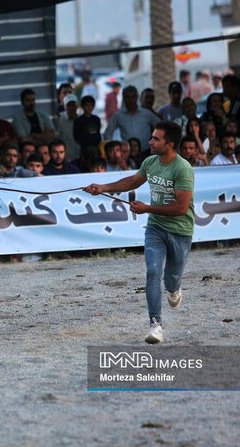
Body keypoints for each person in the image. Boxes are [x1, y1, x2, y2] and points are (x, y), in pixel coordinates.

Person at [84, 121, 194, 344]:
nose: (150, 141)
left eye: (156, 139)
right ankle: (156, 325)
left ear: (170, 144)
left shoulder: (183, 169)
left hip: (180, 231)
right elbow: (133, 181)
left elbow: (181, 209)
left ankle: (174, 289)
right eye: (151, 137)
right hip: (155, 228)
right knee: (153, 272)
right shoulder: (150, 162)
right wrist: (102, 188)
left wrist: (147, 208)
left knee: (172, 281)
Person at [103, 85, 159, 150]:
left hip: (147, 152)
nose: (130, 100)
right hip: (128, 154)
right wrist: (115, 148)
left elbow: (161, 127)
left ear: (136, 97)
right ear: (123, 98)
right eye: (127, 97)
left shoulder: (146, 113)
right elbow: (107, 134)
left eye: (133, 97)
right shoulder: (118, 116)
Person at [222, 74, 240, 145]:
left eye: (227, 86)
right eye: (224, 86)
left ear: (235, 87)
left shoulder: (239, 102)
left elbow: (233, 119)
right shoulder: (232, 102)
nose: (224, 89)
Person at [56, 94, 80, 161]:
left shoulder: (81, 119)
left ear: (77, 106)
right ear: (64, 107)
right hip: (65, 159)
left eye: (73, 105)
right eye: (68, 105)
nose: (71, 108)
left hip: (80, 157)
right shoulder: (59, 119)